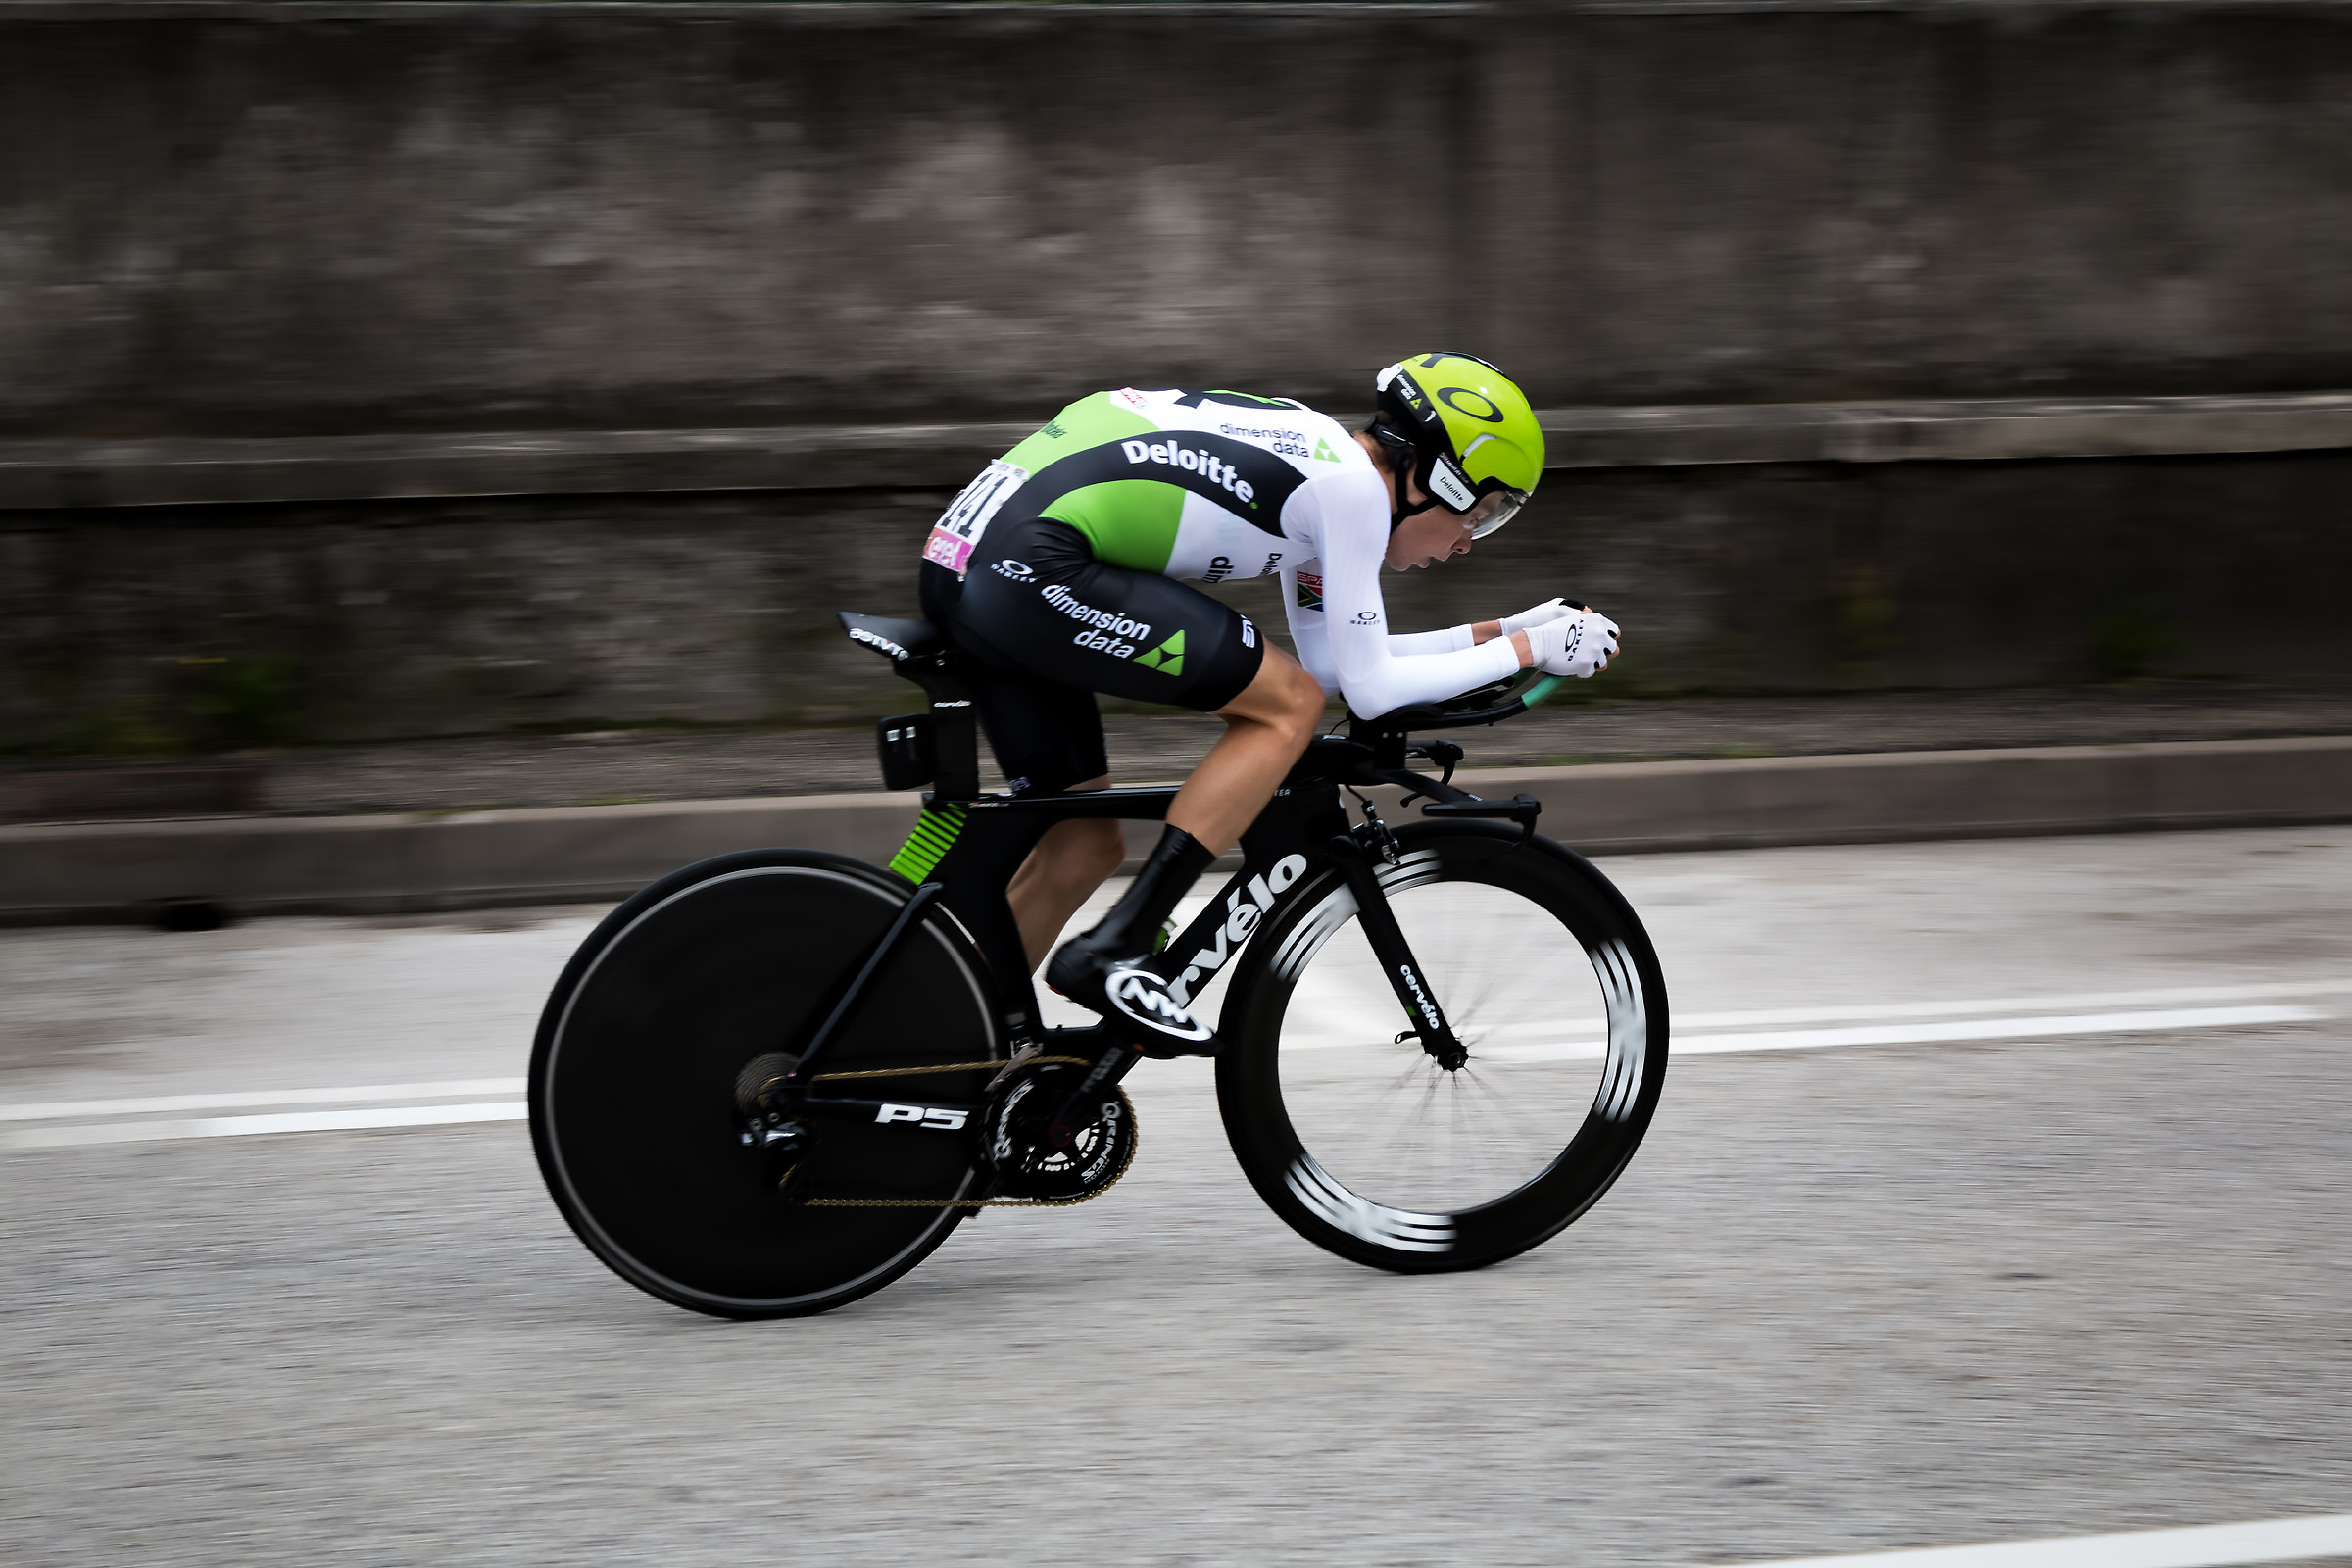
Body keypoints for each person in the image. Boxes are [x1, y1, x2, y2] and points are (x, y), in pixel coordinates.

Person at [915, 352, 1620, 1053]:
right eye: (1483, 513)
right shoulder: (1352, 494)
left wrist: (1512, 631)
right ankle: (1117, 948)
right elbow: (1369, 692)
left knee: (1082, 849)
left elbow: (1341, 661)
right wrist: (1535, 654)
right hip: (1029, 564)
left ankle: (940, 1054)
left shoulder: (1326, 473)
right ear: (1434, 477)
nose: (1469, 543)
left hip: (982, 560)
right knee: (1286, 708)